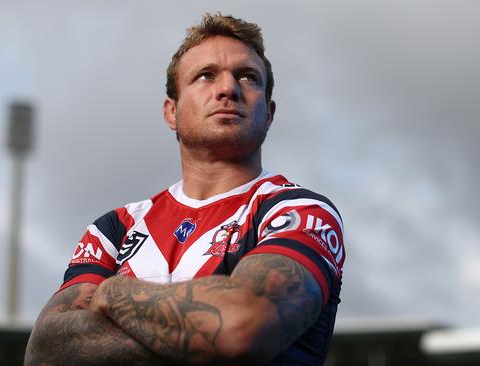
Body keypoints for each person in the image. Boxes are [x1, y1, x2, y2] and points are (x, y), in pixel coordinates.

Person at [25, 13, 345, 366]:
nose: (228, 88)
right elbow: (46, 351)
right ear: (171, 112)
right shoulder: (114, 227)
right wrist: (202, 337)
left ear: (269, 114)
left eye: (248, 77)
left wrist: (114, 292)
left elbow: (242, 326)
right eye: (206, 75)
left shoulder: (299, 211)